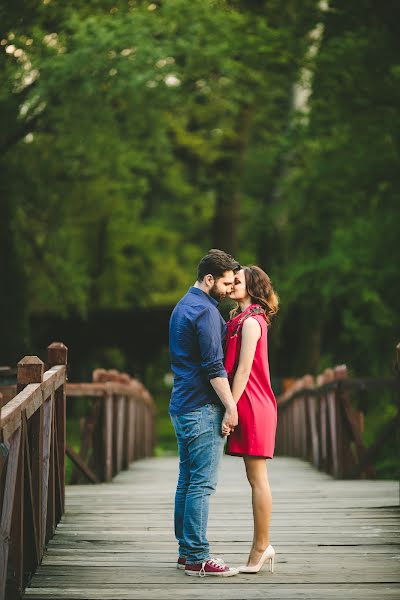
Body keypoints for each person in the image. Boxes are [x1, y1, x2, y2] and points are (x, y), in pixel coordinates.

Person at [169, 249, 240, 577]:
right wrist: (230, 405)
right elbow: (213, 366)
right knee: (202, 484)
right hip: (201, 407)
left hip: (182, 405)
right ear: (209, 279)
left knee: (187, 480)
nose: (230, 288)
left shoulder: (183, 306)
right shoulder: (207, 313)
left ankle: (186, 552)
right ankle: (198, 556)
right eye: (226, 283)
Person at [222, 265, 279, 573]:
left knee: (258, 479)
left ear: (252, 286)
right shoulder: (238, 319)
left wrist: (230, 406)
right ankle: (261, 546)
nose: (231, 284)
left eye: (238, 281)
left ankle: (261, 546)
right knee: (254, 478)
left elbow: (243, 371)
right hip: (247, 403)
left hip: (254, 406)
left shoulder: (252, 323)